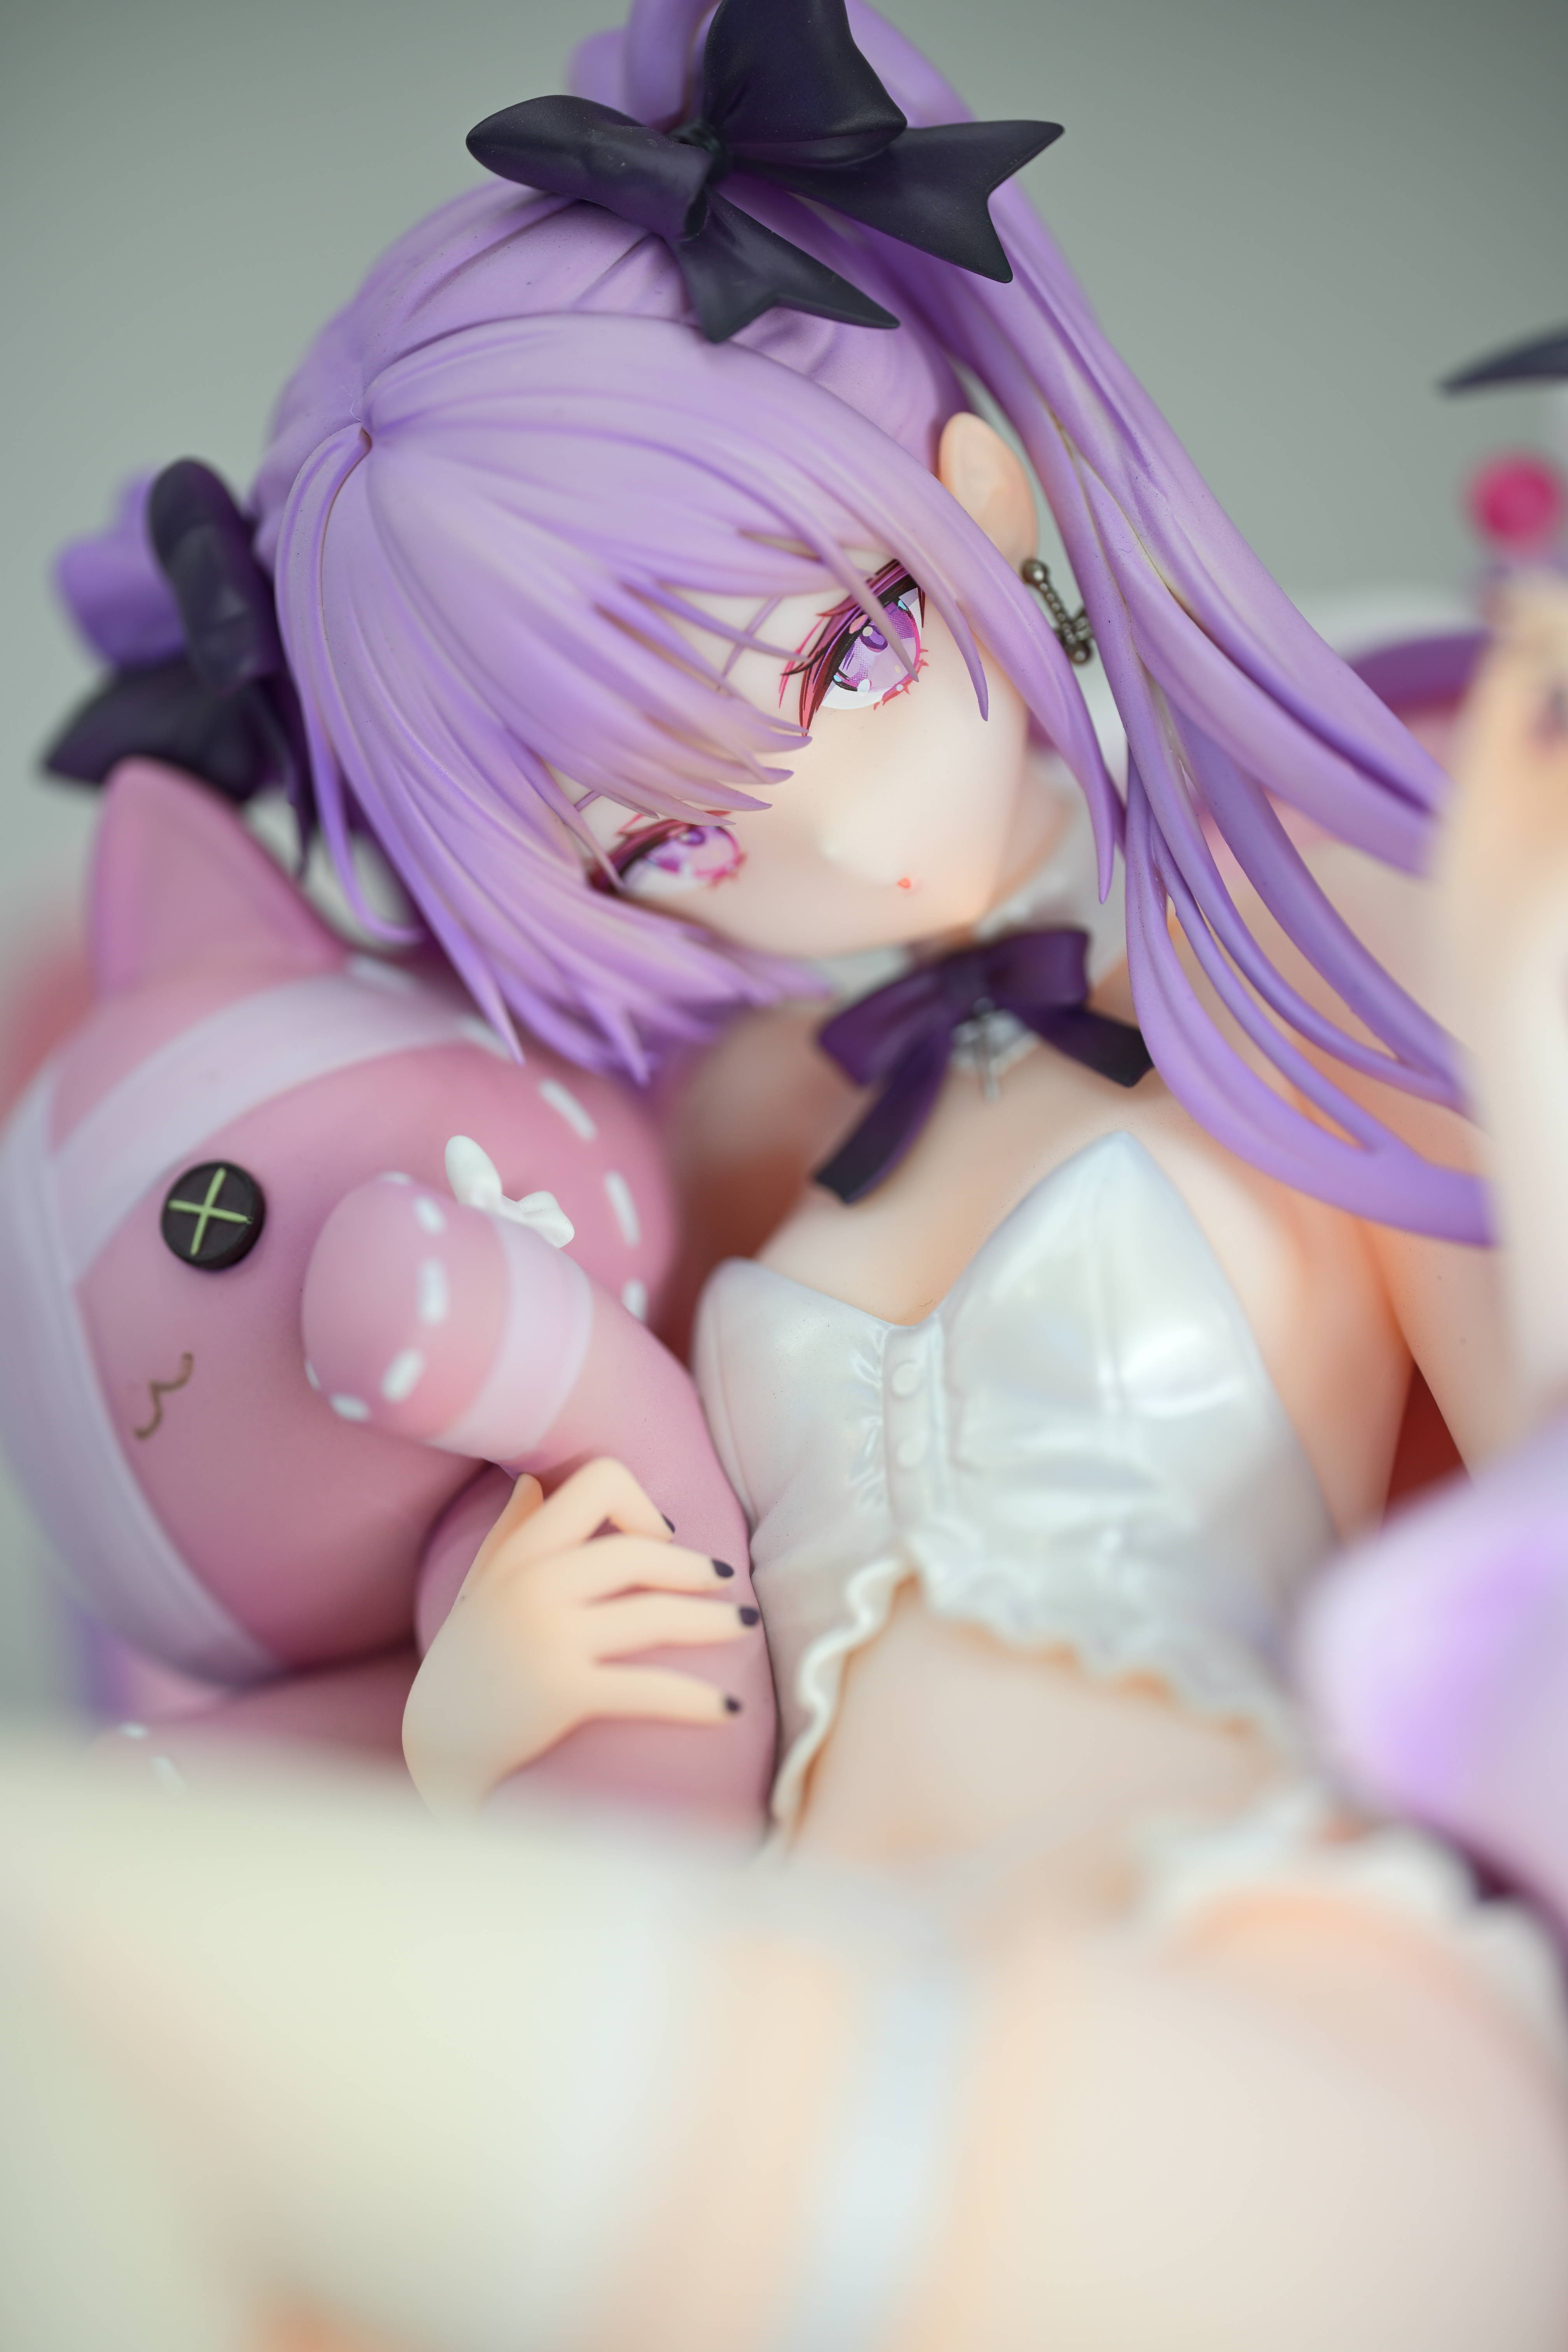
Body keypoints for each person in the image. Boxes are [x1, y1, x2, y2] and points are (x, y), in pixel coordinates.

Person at [17, 3, 1568, 2336]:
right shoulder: (729, 1133)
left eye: (850, 652)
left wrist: (1526, 1016)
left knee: (67, 1935)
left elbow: (1540, 1498)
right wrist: (470, 1730)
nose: (843, 829)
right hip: (828, 1980)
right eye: (663, 838)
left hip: (1252, 1990)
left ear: (985, 499)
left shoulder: (1306, 942)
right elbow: (618, 1584)